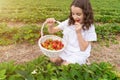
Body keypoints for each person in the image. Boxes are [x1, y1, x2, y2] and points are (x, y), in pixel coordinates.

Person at [45, 0, 97, 65]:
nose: (75, 17)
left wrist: (78, 33)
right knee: (53, 59)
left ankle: (84, 61)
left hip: (79, 53)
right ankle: (66, 61)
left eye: (78, 14)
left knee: (65, 66)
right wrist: (51, 26)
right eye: (73, 13)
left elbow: (83, 48)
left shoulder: (89, 27)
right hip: (66, 49)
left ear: (86, 13)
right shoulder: (69, 22)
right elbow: (52, 31)